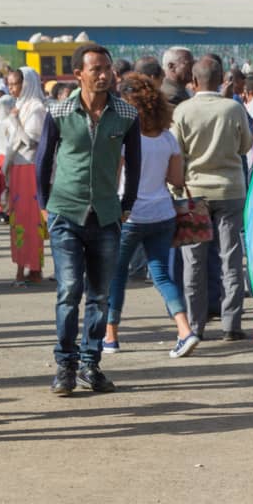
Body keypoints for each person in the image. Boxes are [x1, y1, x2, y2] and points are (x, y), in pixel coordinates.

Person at [37, 43, 142, 395]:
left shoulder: (126, 114)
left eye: (107, 68)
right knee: (70, 290)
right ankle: (64, 365)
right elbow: (43, 160)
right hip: (65, 212)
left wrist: (126, 203)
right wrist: (43, 203)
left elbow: (136, 162)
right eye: (95, 69)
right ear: (78, 74)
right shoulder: (59, 112)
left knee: (100, 296)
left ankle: (90, 364)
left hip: (107, 216)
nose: (103, 75)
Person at [104, 74, 198, 358]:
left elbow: (114, 177)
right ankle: (184, 329)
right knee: (161, 273)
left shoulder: (122, 138)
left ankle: (111, 336)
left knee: (116, 276)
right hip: (162, 213)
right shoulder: (167, 138)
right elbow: (177, 179)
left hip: (129, 215)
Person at [172, 55, 253, 341]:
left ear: (193, 82)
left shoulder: (182, 111)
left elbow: (177, 153)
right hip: (231, 190)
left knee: (194, 261)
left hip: (195, 192)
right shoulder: (233, 108)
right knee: (230, 257)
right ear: (221, 81)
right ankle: (231, 323)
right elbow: (245, 145)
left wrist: (177, 190)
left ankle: (195, 325)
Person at [5, 66, 48, 285]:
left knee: (30, 221)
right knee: (19, 220)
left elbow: (33, 141)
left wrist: (14, 121)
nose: (12, 89)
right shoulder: (19, 106)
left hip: (29, 168)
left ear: (27, 83)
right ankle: (27, 268)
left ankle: (29, 269)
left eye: (15, 84)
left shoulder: (36, 108)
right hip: (17, 167)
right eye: (9, 84)